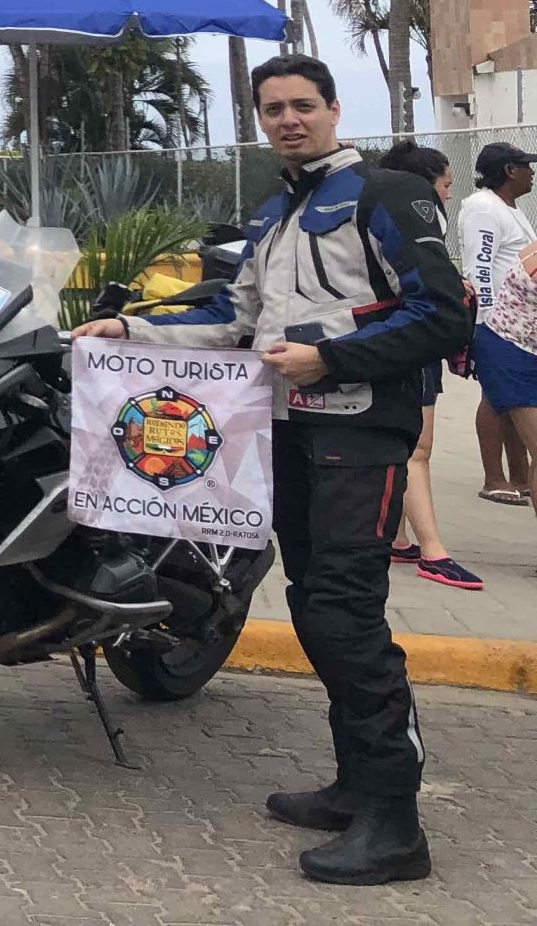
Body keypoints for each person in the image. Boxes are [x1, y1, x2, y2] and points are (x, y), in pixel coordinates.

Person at [74, 54, 467, 887]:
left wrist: (333, 358)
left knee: (345, 613)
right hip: (286, 435)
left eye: (302, 106)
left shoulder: (384, 194)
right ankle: (357, 783)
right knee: (312, 604)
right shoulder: (277, 211)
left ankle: (396, 824)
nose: (288, 120)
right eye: (272, 109)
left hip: (362, 433)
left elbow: (443, 311)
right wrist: (131, 333)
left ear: (333, 109)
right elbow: (233, 319)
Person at [373, 143, 478, 590]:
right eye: (445, 184)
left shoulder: (379, 212)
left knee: (404, 448)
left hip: (394, 344)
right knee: (418, 449)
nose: (448, 195)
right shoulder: (418, 218)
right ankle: (433, 551)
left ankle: (397, 538)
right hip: (413, 345)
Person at [455, 141, 537, 506]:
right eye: (527, 166)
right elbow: (480, 266)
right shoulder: (482, 208)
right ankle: (494, 477)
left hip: (519, 326)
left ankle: (520, 476)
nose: (533, 173)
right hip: (496, 325)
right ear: (509, 171)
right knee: (495, 398)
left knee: (510, 401)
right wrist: (483, 322)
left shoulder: (511, 209)